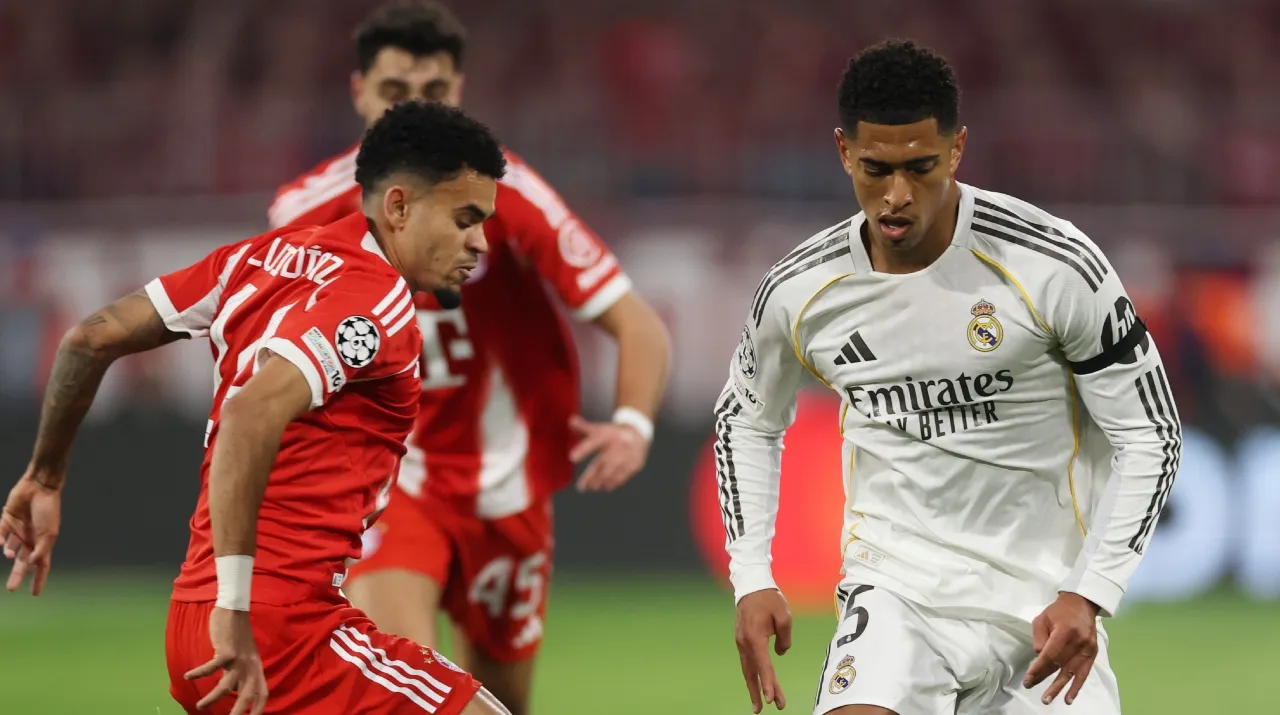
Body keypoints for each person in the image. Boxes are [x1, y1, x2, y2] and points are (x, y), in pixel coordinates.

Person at [1, 101, 515, 715]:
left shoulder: (255, 261)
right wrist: (237, 607)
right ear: (399, 207)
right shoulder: (374, 302)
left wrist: (45, 475)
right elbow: (250, 414)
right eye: (465, 218)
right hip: (276, 630)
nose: (480, 241)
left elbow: (92, 335)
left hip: (192, 619)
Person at [716, 40, 1182, 715]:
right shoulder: (803, 289)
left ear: (958, 149)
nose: (896, 195)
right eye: (875, 169)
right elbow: (746, 418)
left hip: (1042, 609)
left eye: (921, 168)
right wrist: (752, 576)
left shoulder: (1053, 264)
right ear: (843, 151)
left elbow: (1151, 432)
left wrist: (1093, 589)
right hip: (896, 594)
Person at [269, 3, 671, 712]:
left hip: (508, 487)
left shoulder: (508, 193)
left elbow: (637, 323)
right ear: (359, 91)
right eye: (395, 93)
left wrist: (634, 424)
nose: (413, 110)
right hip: (395, 484)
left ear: (460, 93)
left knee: (504, 703)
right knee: (412, 694)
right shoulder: (303, 213)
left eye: (434, 92)